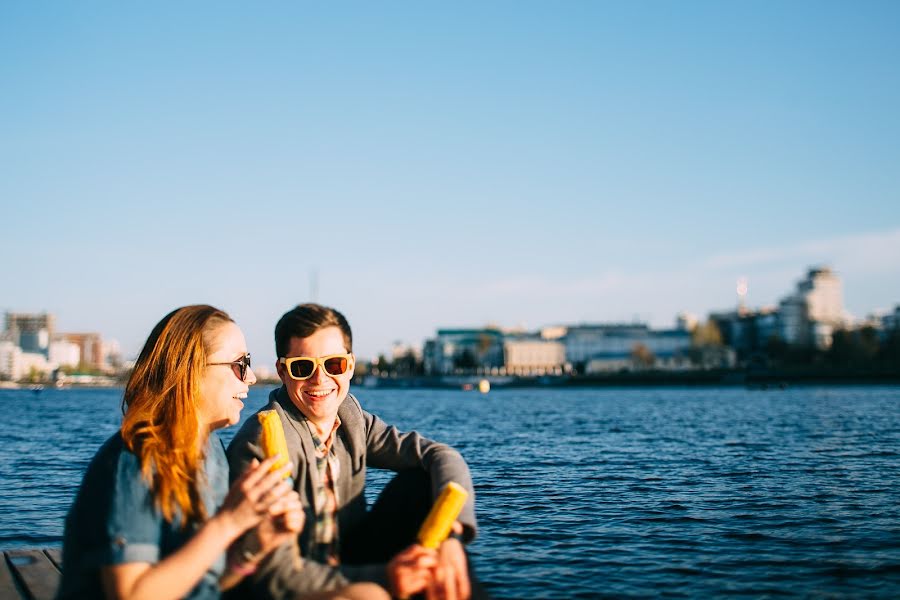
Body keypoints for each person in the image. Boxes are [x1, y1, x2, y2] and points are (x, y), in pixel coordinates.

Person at [56, 305, 386, 600]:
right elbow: (130, 594)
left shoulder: (210, 451)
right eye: (240, 365)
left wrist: (252, 550)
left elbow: (208, 582)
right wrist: (228, 523)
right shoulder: (136, 459)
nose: (253, 377)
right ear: (192, 371)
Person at [227, 304, 485, 600]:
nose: (320, 379)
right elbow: (276, 576)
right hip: (301, 582)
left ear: (349, 365)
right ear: (283, 372)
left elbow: (442, 456)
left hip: (351, 554)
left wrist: (450, 537)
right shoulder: (261, 443)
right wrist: (386, 576)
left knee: (421, 483)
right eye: (303, 367)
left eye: (333, 364)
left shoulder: (351, 417)